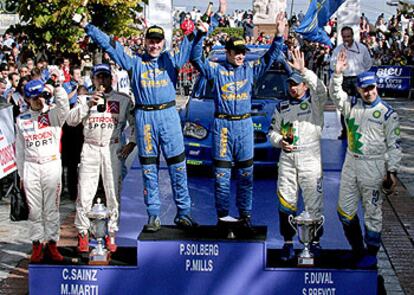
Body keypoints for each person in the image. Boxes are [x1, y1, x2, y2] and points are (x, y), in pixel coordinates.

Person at [74, 12, 200, 233]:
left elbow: (189, 47)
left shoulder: (171, 59)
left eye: (157, 41)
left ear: (163, 43)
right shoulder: (134, 62)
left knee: (178, 167)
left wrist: (197, 31)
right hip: (145, 118)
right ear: (145, 42)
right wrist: (88, 26)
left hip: (169, 115)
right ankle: (153, 215)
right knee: (149, 169)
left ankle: (184, 213)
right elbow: (111, 45)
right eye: (150, 41)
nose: (154, 45)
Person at [190, 12, 286, 230]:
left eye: (243, 52)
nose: (240, 56)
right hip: (223, 126)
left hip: (244, 125)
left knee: (246, 174)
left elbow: (271, 56)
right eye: (236, 52)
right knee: (222, 175)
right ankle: (223, 217)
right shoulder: (216, 70)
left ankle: (245, 217)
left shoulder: (250, 70)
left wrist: (279, 35)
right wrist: (199, 37)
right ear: (228, 52)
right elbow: (196, 60)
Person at [330, 50, 402, 268]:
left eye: (372, 88)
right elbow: (336, 95)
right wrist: (337, 75)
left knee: (372, 213)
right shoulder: (351, 106)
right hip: (351, 163)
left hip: (374, 165)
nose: (369, 92)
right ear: (359, 89)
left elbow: (395, 145)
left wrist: (392, 171)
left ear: (376, 87)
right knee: (344, 211)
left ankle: (371, 256)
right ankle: (357, 251)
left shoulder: (388, 113)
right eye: (365, 89)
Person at [66, 64, 136, 253]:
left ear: (111, 78)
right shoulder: (84, 99)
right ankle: (83, 233)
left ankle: (111, 232)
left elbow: (135, 123)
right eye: (99, 77)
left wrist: (132, 143)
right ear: (93, 79)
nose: (102, 81)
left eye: (105, 77)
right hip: (90, 147)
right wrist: (88, 104)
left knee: (113, 192)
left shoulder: (123, 99)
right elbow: (70, 120)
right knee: (85, 193)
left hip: (112, 147)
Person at [268, 48, 328, 261]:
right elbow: (272, 132)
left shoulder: (315, 103)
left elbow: (321, 90)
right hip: (287, 157)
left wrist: (304, 71)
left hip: (310, 157)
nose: (293, 88)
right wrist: (278, 141)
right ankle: (287, 242)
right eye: (291, 84)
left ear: (304, 85)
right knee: (286, 201)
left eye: (297, 83)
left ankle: (315, 243)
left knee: (313, 202)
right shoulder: (281, 106)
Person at [15, 79, 70, 263]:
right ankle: (37, 244)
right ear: (27, 99)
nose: (38, 100)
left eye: (40, 96)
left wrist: (56, 87)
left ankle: (53, 244)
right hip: (31, 166)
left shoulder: (53, 114)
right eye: (34, 97)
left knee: (51, 208)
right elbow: (20, 151)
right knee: (35, 210)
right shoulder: (21, 120)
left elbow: (64, 107)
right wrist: (22, 175)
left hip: (51, 165)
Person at [330, 26, 373, 139]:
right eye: (344, 37)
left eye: (348, 36)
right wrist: (339, 65)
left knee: (361, 105)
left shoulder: (362, 48)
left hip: (358, 79)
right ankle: (345, 131)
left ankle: (361, 130)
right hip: (345, 79)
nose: (346, 39)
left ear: (353, 36)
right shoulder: (338, 50)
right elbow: (332, 65)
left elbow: (368, 63)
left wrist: (361, 73)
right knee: (344, 106)